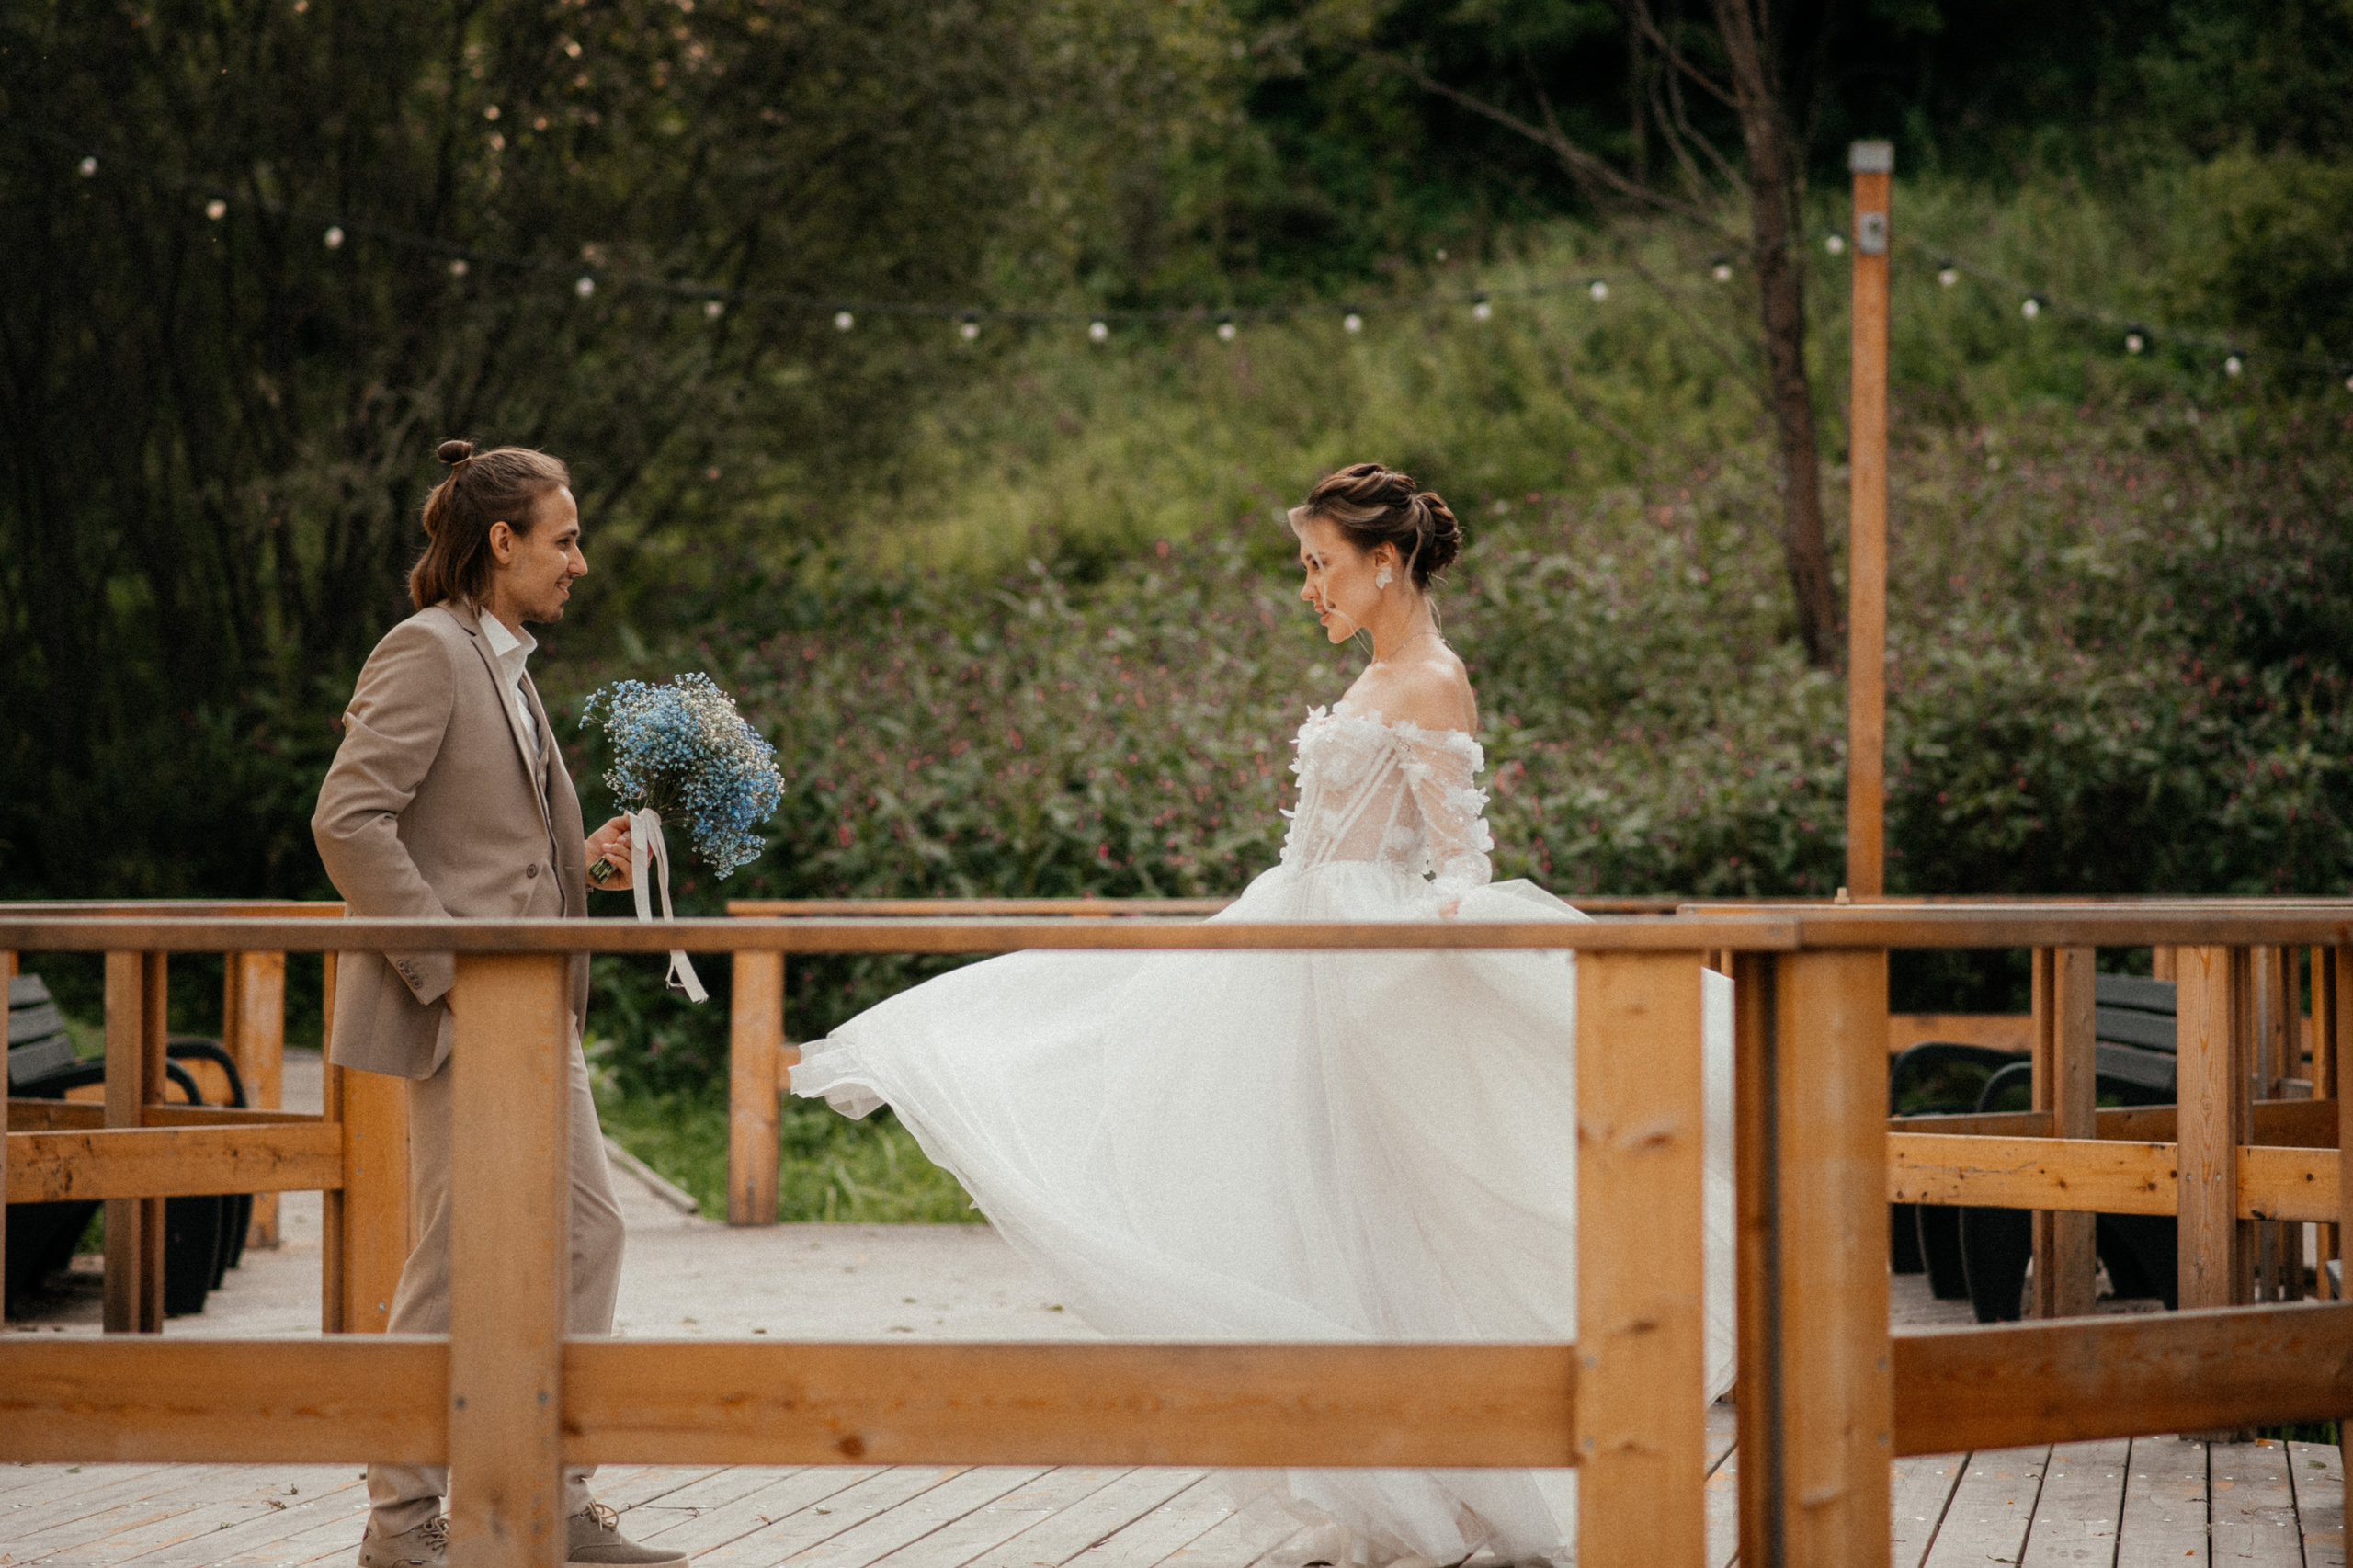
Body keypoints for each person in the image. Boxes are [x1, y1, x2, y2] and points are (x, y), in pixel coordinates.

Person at [792, 462, 1734, 1568]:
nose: (1308, 590)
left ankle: (1432, 1469)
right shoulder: (1378, 673)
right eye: (1304, 567)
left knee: (1382, 1210)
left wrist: (1438, 959)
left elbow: (1458, 858)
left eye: (1320, 565)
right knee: (1269, 1176)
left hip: (1358, 966)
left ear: (1385, 563)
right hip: (1290, 945)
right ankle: (1370, 1465)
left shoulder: (1431, 677)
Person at [313, 440, 687, 1568]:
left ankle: (556, 1495)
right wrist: (449, 971)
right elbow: (349, 821)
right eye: (565, 538)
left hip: (540, 1012)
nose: (582, 560)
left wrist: (588, 859)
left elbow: (485, 843)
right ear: (502, 541)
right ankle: (403, 1522)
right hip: (468, 1009)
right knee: (453, 1255)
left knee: (587, 1229)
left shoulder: (508, 664)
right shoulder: (425, 651)